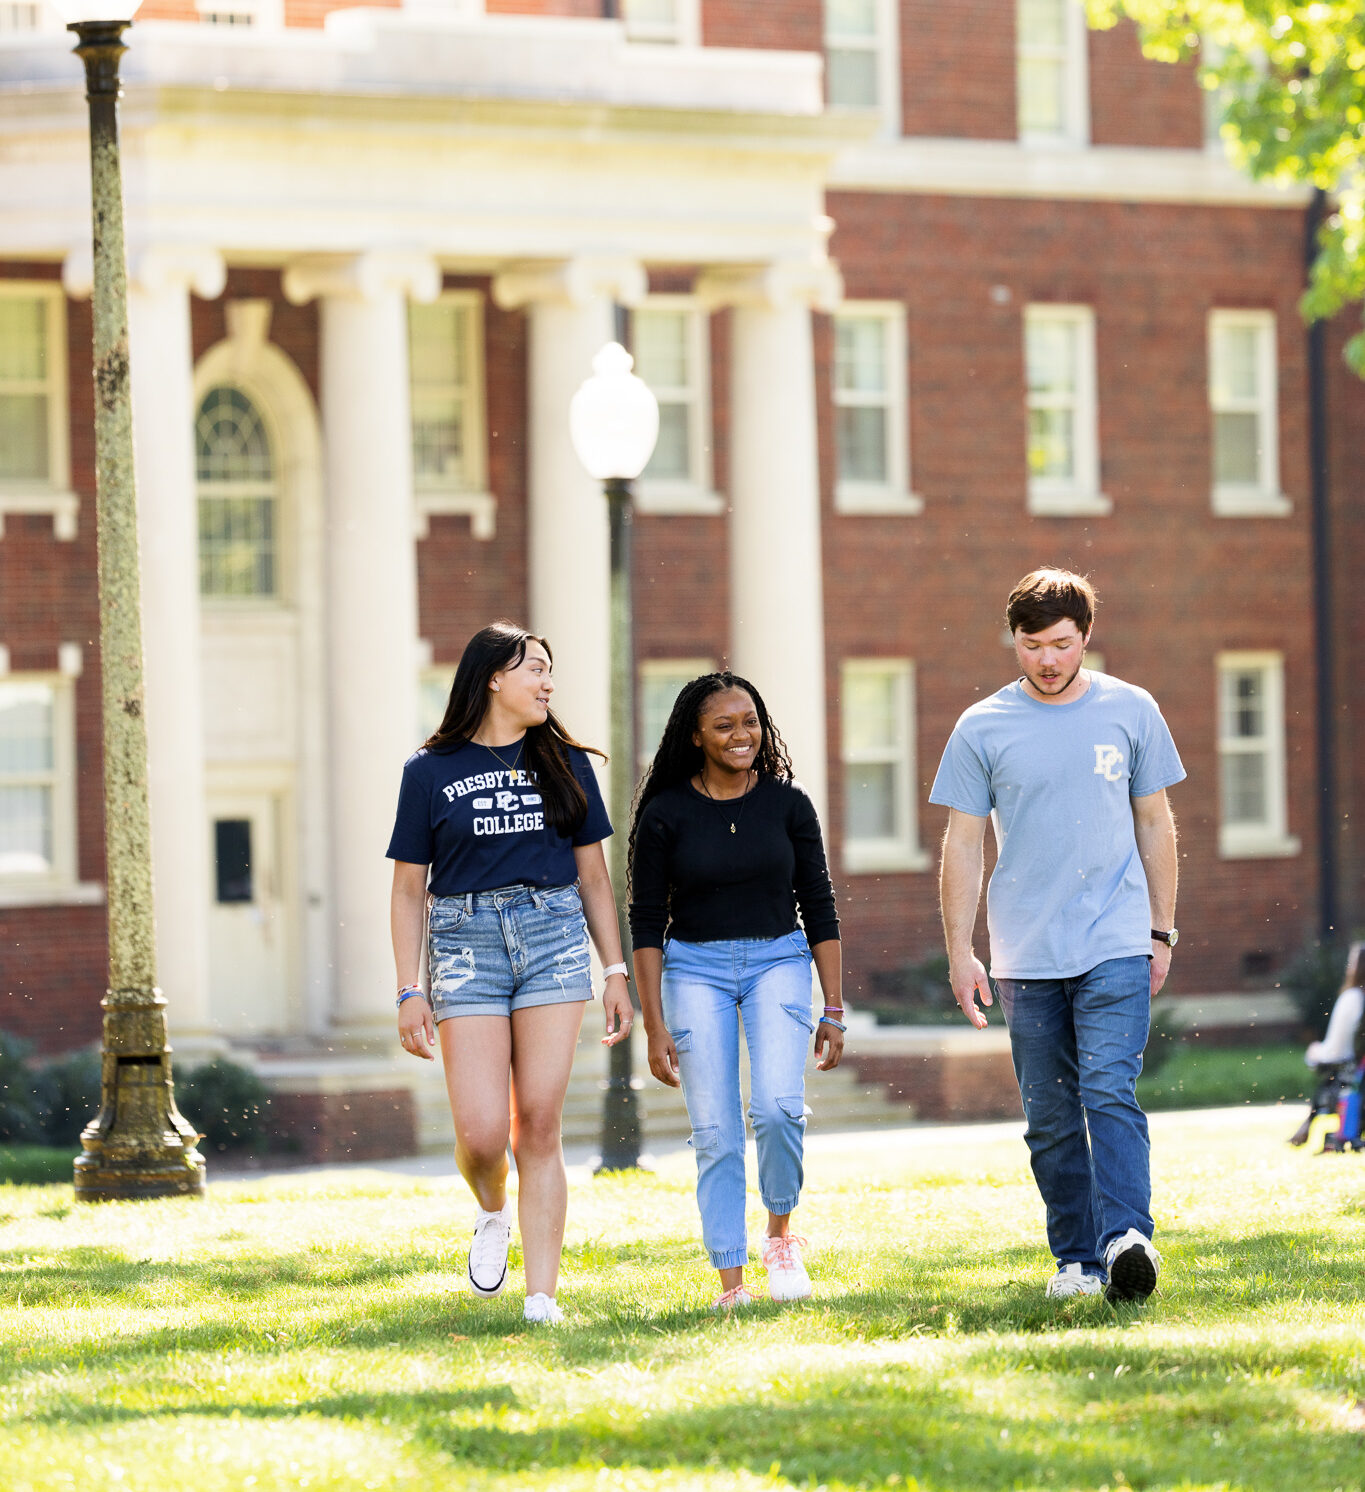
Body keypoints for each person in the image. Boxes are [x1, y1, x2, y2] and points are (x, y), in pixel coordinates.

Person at [930, 568, 1184, 1305]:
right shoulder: (981, 727)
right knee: (1048, 1116)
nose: (1046, 660)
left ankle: (1127, 1239)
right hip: (1024, 952)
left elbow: (1153, 823)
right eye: (1032, 644)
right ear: (1012, 639)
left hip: (1115, 937)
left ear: (1086, 640)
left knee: (1108, 1088)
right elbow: (963, 845)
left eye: (1062, 645)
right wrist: (959, 949)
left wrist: (1160, 930)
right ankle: (1075, 1259)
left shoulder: (1130, 710)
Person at [387, 621, 633, 1326]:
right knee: (483, 1134)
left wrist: (613, 969)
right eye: (535, 669)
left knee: (542, 1124)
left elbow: (592, 877)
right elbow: (408, 890)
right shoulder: (428, 771)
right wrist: (411, 988)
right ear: (493, 676)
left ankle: (541, 1298)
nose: (547, 682)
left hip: (552, 935)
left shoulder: (566, 764)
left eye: (549, 670)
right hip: (465, 945)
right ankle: (491, 1210)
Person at [628, 672, 845, 1312]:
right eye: (723, 725)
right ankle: (732, 1283)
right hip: (693, 970)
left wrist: (833, 1007)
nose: (740, 734)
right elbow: (645, 921)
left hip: (779, 958)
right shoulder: (666, 813)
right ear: (695, 736)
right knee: (716, 1130)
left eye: (749, 720)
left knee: (778, 1108)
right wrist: (654, 1024)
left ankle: (781, 1235)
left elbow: (821, 907)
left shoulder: (789, 804)